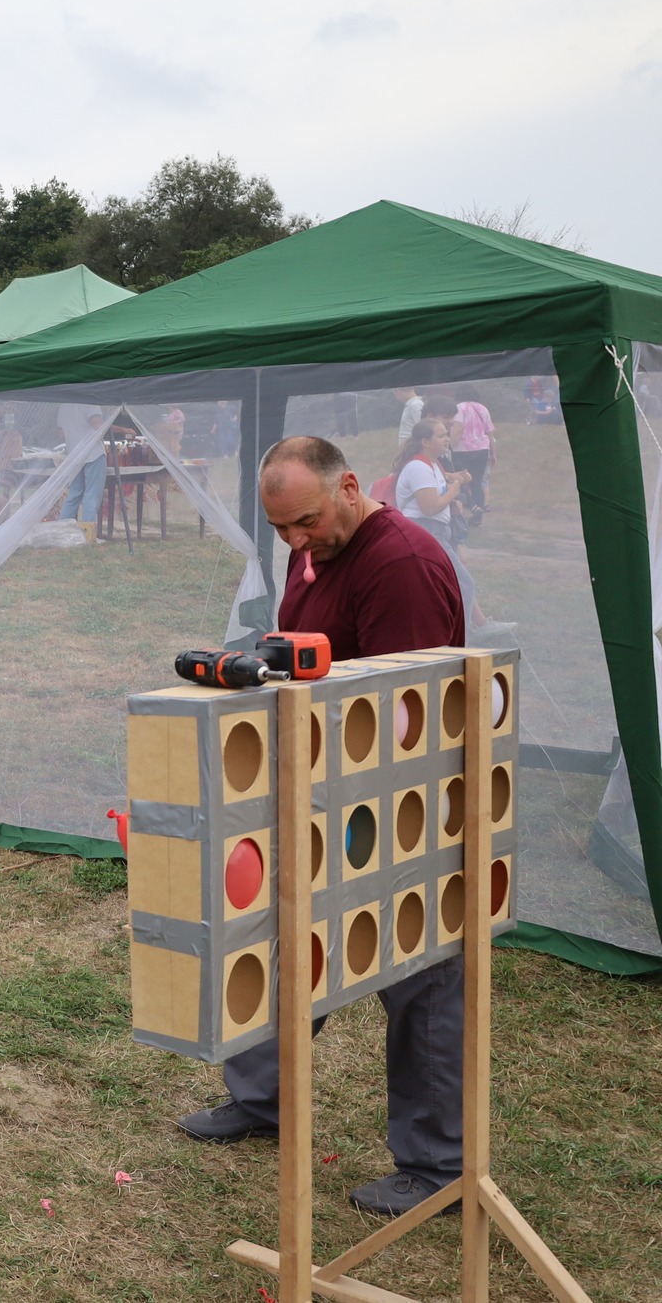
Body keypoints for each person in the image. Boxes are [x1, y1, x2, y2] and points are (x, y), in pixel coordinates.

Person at [180, 435, 466, 1219]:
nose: (296, 543)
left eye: (306, 522)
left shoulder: (398, 563)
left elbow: (408, 711)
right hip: (328, 790)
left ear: (348, 486)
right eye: (281, 530)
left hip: (402, 801)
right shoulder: (319, 551)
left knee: (417, 968)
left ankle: (439, 1164)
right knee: (290, 940)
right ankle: (262, 1097)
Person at [391, 416, 483, 627]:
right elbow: (430, 507)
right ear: (425, 441)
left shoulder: (432, 465)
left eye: (446, 435)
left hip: (432, 532)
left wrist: (454, 480)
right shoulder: (419, 467)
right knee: (463, 584)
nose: (447, 439)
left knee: (439, 589)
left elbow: (436, 492)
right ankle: (462, 641)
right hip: (425, 531)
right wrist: (453, 492)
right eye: (441, 435)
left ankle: (447, 637)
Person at [55, 403, 108, 527]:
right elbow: (97, 425)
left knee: (74, 494)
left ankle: (62, 530)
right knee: (92, 494)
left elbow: (60, 435)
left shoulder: (63, 407)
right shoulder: (89, 403)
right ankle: (87, 531)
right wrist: (120, 429)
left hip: (74, 455)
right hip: (93, 454)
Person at [451, 397, 495, 524]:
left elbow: (458, 429)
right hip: (482, 450)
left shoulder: (459, 407)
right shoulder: (483, 408)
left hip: (462, 450)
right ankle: (478, 515)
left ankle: (469, 508)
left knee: (460, 480)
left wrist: (449, 447)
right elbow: (489, 433)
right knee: (477, 483)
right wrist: (493, 452)